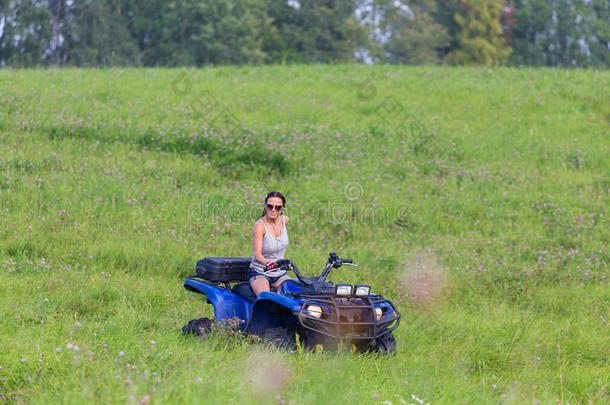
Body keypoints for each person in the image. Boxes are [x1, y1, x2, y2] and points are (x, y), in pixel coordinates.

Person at [248, 191, 290, 297]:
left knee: (296, 295)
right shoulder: (260, 226)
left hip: (280, 274)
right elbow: (257, 254)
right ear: (265, 206)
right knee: (266, 298)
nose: (273, 210)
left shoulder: (285, 220)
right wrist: (269, 263)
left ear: (283, 208)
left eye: (278, 207)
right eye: (270, 206)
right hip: (260, 272)